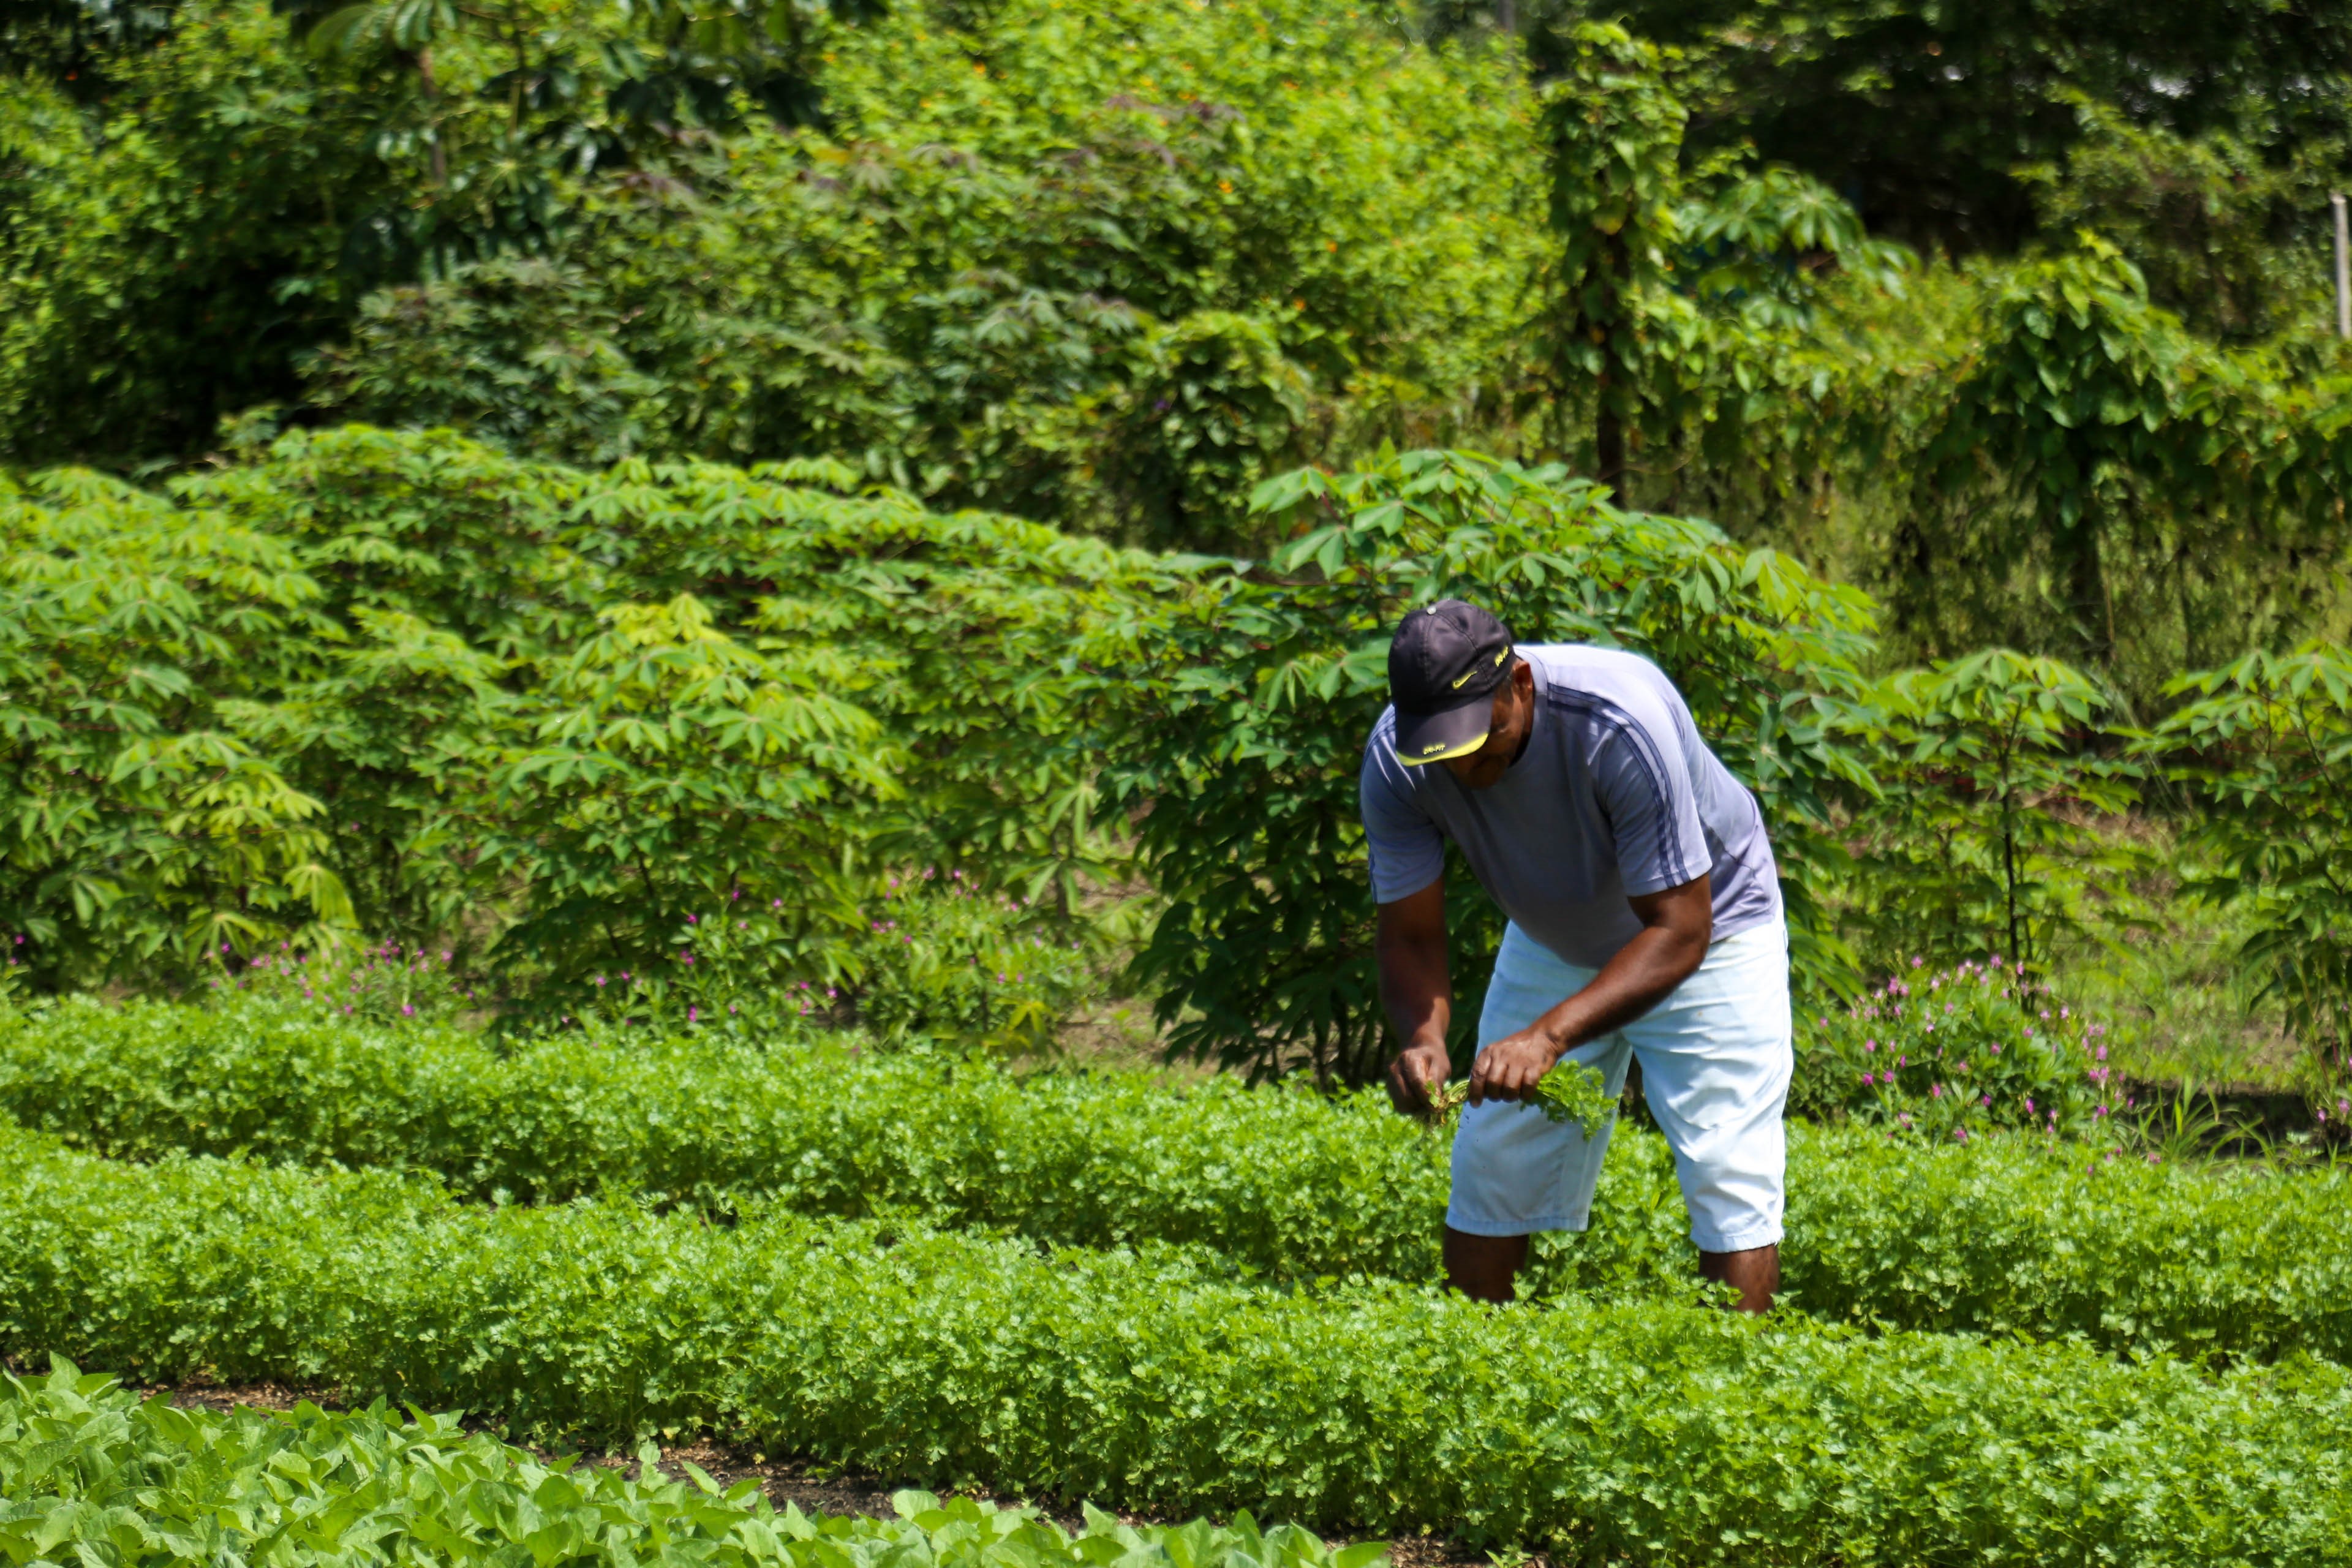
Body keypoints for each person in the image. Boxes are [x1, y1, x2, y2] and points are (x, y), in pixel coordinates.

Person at [1361, 598, 1792, 1311]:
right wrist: (1425, 1037)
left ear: (1519, 685)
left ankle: (1737, 1396)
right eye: (1445, 750)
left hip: (1709, 924)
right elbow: (1408, 932)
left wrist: (1549, 1034)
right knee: (1492, 1161)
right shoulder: (1399, 758)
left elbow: (1680, 928)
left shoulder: (1617, 722)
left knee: (1727, 1167)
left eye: (1481, 739)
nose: (1465, 769)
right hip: (1556, 930)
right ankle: (1472, 1381)